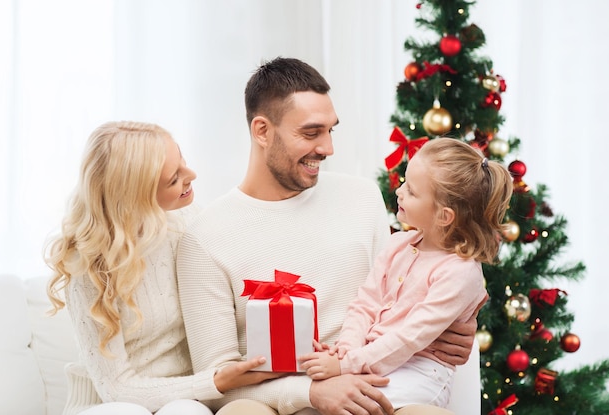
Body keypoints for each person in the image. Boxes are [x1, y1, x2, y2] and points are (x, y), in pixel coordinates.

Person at [176, 57, 480, 415]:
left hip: (374, 390)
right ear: (262, 131)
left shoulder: (362, 198)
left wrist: (455, 325)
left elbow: (398, 296)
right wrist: (312, 393)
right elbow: (216, 382)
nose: (327, 148)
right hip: (278, 403)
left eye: (330, 130)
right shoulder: (205, 238)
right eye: (310, 132)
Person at [45, 121, 279, 415]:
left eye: (183, 160)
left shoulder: (190, 221)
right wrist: (214, 381)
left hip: (184, 399)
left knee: (187, 412)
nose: (192, 176)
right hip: (108, 403)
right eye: (173, 179)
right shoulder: (89, 263)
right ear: (134, 196)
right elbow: (116, 388)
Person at [298, 137, 512, 410]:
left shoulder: (460, 272)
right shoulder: (398, 244)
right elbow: (365, 304)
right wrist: (347, 349)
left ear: (444, 216)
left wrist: (344, 365)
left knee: (353, 405)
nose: (399, 191)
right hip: (375, 359)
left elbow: (410, 338)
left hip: (420, 374)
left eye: (411, 190)